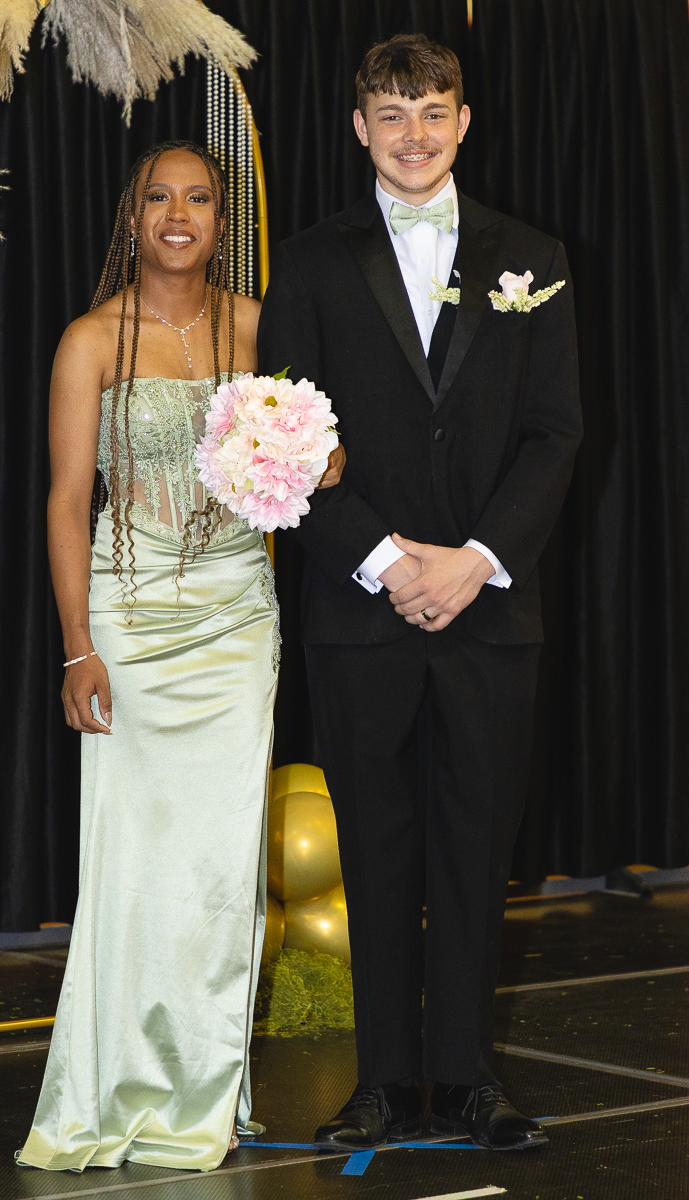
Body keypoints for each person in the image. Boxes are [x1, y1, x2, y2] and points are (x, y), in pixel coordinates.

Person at [258, 34, 582, 1153]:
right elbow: (279, 445)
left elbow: (553, 436)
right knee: (377, 849)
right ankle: (384, 1080)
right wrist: (386, 561)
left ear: (462, 120)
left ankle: (467, 1080)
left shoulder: (529, 255)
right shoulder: (303, 263)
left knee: (472, 847)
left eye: (432, 110)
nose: (413, 133)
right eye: (390, 113)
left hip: (489, 611)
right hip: (361, 611)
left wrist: (475, 557)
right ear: (357, 128)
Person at [17, 141, 342, 1173]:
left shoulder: (258, 326)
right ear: (130, 217)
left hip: (235, 620)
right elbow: (69, 503)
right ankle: (111, 1087)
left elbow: (318, 448)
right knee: (131, 866)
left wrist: (317, 461)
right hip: (127, 620)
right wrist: (75, 648)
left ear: (219, 219)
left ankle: (207, 1090)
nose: (177, 213)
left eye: (198, 198)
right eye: (158, 196)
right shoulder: (88, 341)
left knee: (218, 872)